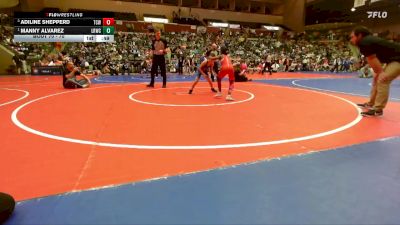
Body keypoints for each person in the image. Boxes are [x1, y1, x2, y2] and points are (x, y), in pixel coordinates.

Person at [350, 26, 400, 117]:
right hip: (393, 60)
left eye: (352, 36)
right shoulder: (368, 41)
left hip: (397, 61)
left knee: (382, 80)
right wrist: (378, 73)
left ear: (360, 36)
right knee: (378, 79)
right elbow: (372, 59)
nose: (351, 39)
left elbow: (371, 58)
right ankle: (371, 104)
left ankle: (377, 109)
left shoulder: (364, 42)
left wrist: (380, 73)